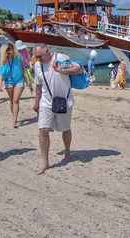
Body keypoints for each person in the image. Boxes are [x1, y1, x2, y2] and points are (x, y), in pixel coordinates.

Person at [32, 44, 83, 175]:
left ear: (47, 52)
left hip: (64, 101)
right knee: (43, 130)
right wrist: (36, 102)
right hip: (46, 103)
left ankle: (67, 151)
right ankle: (45, 162)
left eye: (40, 56)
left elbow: (79, 69)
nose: (38, 59)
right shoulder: (37, 66)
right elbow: (38, 86)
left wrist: (62, 70)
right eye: (36, 57)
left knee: (65, 129)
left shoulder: (60, 58)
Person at [0, 42, 32, 128]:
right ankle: (14, 115)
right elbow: (1, 73)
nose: (11, 53)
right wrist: (0, 84)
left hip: (19, 81)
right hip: (8, 81)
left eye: (12, 51)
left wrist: (28, 79)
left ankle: (14, 120)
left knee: (16, 100)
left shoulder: (18, 57)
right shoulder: (4, 59)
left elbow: (23, 69)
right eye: (9, 51)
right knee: (11, 101)